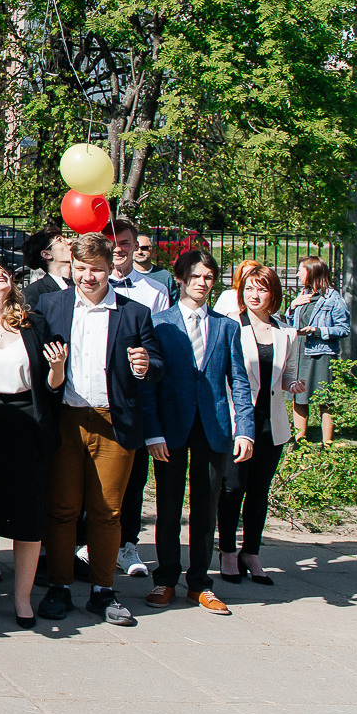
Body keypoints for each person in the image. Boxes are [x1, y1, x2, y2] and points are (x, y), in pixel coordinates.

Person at [34, 232, 162, 628]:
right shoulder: (50, 305)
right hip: (66, 420)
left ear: (112, 269)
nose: (88, 277)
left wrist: (145, 367)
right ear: (71, 267)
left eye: (97, 270)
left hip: (113, 422)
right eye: (81, 269)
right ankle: (59, 586)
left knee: (108, 511)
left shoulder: (134, 312)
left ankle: (104, 591)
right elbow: (36, 366)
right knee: (62, 509)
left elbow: (155, 364)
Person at [147, 248, 254, 616]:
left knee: (205, 509)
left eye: (208, 277)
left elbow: (239, 380)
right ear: (180, 279)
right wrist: (153, 433)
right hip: (171, 429)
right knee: (168, 507)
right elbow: (151, 385)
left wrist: (246, 430)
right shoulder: (160, 323)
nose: (202, 283)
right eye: (195, 276)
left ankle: (200, 584)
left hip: (214, 428)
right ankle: (165, 579)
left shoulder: (227, 327)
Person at [0, 260, 64, 627]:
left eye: (2, 269)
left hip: (28, 423)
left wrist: (58, 369)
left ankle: (22, 597)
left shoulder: (33, 325)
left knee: (28, 513)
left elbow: (52, 386)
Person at [219, 264, 300, 584]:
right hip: (239, 420)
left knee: (259, 491)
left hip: (272, 423)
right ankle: (226, 551)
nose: (254, 295)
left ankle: (250, 552)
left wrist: (293, 384)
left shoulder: (287, 332)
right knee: (233, 487)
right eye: (249, 288)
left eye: (262, 289)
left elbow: (287, 374)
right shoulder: (230, 327)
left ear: (273, 295)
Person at [107, 220, 170, 578]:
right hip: (94, 392)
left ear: (135, 247)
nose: (118, 248)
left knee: (133, 476)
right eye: (112, 242)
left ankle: (127, 543)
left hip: (134, 394)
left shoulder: (153, 290)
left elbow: (156, 348)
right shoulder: (86, 281)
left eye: (125, 243)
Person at [288, 256, 348, 444]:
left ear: (312, 271)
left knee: (325, 398)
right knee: (299, 395)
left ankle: (327, 443)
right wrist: (292, 307)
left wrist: (318, 330)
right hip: (300, 350)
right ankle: (300, 440)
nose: (297, 274)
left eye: (300, 270)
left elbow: (343, 329)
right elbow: (290, 324)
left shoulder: (332, 298)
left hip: (321, 353)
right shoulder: (302, 295)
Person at [22, 234, 72, 308]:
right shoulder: (34, 293)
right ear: (47, 254)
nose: (70, 241)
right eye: (60, 240)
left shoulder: (85, 283)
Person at [133, 232, 176, 301]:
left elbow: (173, 305)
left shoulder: (165, 276)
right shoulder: (125, 275)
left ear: (153, 250)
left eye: (144, 248)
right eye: (136, 248)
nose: (139, 252)